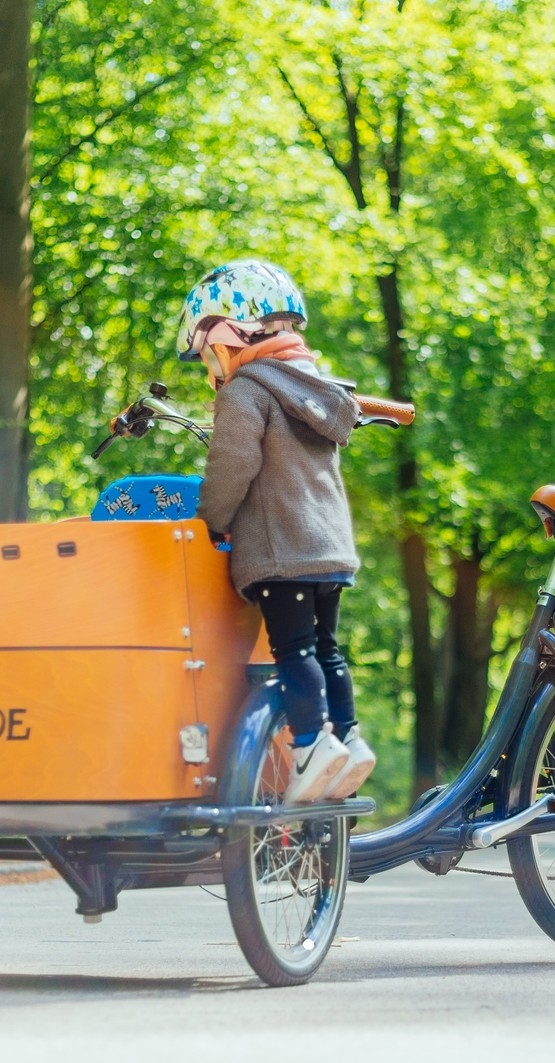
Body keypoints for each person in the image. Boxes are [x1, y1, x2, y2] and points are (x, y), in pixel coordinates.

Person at [182, 259, 375, 803]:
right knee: (327, 648)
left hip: (281, 551)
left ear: (229, 338)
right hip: (330, 551)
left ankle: (312, 746)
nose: (209, 366)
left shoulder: (246, 391)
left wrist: (210, 523)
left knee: (293, 650)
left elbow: (231, 469)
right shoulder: (315, 389)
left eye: (207, 354)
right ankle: (350, 740)